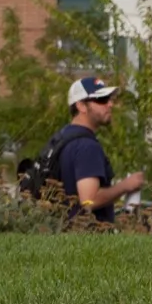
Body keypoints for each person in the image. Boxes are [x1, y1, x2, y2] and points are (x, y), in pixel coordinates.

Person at [50, 76, 143, 223]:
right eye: (101, 100)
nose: (110, 104)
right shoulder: (87, 146)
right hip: (84, 238)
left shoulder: (62, 138)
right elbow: (89, 200)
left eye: (109, 99)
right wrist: (126, 186)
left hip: (62, 234)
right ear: (81, 106)